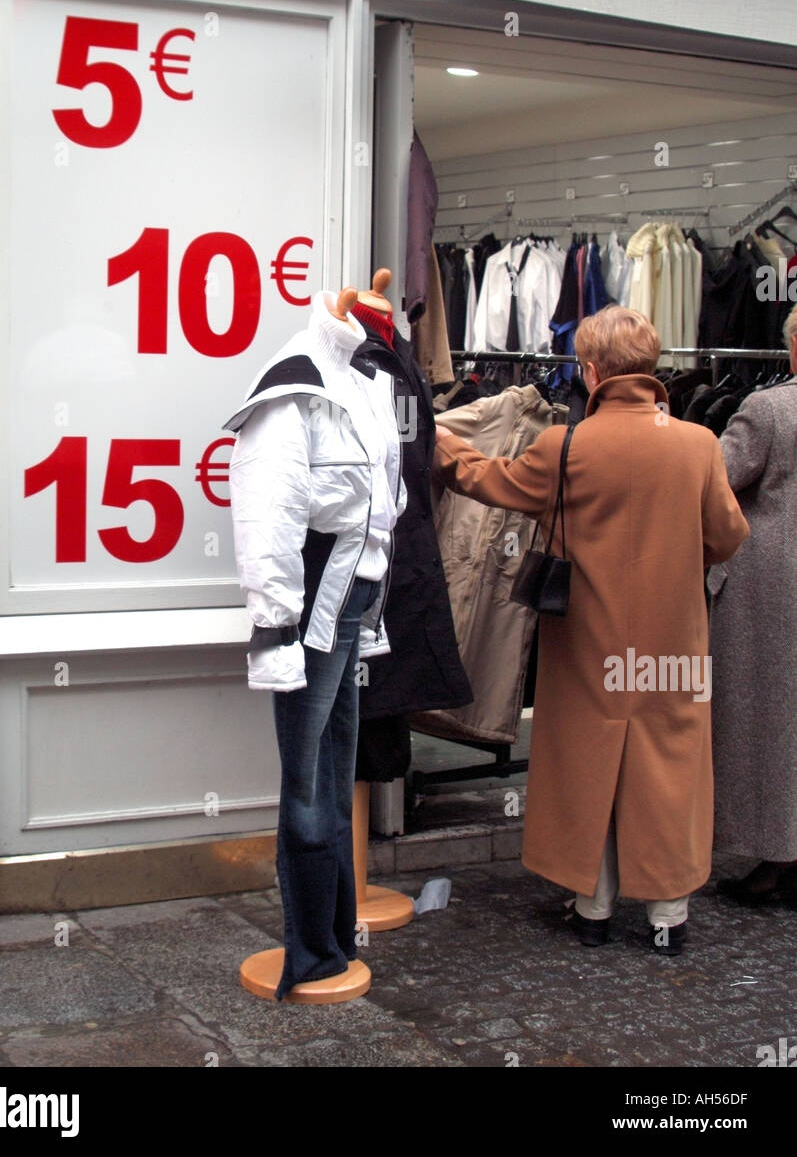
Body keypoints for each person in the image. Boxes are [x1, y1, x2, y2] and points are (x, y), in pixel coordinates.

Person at [434, 305, 749, 954]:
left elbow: (486, 480)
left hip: (587, 638)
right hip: (673, 644)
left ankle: (592, 906)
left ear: (591, 369)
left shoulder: (564, 445)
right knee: (669, 766)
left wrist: (436, 439)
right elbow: (727, 537)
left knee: (588, 761)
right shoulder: (697, 444)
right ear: (651, 367)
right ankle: (667, 915)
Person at [226, 288, 405, 998]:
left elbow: (378, 508)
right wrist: (275, 632)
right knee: (307, 778)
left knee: (333, 767)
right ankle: (311, 949)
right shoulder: (294, 380)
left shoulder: (370, 374)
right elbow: (267, 513)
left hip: (348, 601)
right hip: (306, 605)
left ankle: (329, 938)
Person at [708, 301, 797, 906]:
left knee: (768, 721)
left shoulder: (768, 410)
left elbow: (708, 479)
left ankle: (777, 860)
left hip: (771, 589)